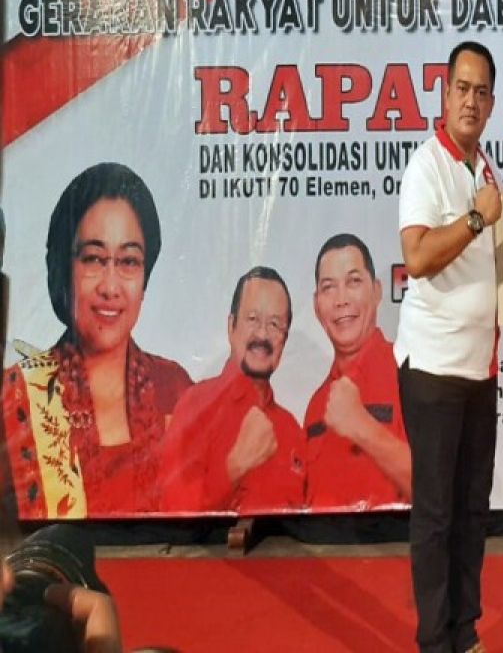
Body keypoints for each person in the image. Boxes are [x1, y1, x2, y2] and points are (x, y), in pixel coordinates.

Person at [395, 40, 503, 653]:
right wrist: (477, 217)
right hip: (434, 369)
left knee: (473, 510)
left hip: (479, 368)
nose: (470, 101)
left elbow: (487, 261)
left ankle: (464, 632)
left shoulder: (485, 169)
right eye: (461, 89)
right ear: (443, 94)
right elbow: (417, 257)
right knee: (437, 516)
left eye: (481, 92)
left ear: (492, 102)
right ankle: (434, 641)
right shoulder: (427, 165)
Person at [2, 163, 191, 519]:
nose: (110, 286)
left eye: (129, 261)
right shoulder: (15, 399)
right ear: (62, 266)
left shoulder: (176, 389)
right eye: (93, 258)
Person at [158, 267, 306, 514]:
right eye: (252, 319)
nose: (262, 334)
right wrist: (234, 467)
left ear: (284, 340)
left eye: (275, 324)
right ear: (231, 326)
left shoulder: (291, 430)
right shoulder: (195, 405)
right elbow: (170, 511)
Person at [305, 233, 411, 510]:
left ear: (376, 292)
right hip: (325, 550)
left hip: (392, 548)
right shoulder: (316, 404)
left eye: (353, 282)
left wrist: (362, 426)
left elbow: (440, 487)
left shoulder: (409, 372)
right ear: (317, 305)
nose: (341, 300)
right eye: (329, 287)